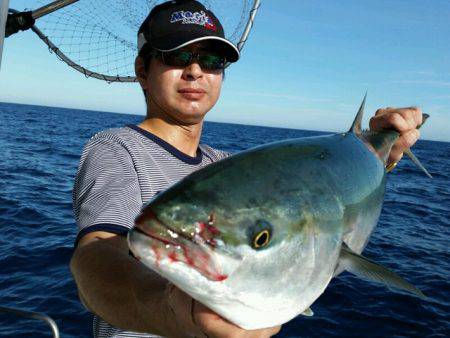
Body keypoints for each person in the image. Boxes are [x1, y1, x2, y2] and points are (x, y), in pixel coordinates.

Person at [70, 1, 424, 337]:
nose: (195, 70)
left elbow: (336, 201)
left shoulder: (223, 165)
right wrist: (176, 311)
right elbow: (95, 257)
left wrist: (383, 152)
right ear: (142, 70)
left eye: (211, 60)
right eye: (176, 56)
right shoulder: (117, 149)